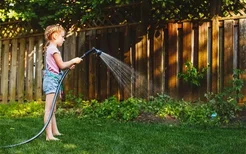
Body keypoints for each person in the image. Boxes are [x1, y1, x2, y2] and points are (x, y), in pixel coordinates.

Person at [43, 24, 82, 141]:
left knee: (52, 109)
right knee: (48, 109)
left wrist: (68, 67)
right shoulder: (54, 50)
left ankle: (55, 131)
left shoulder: (51, 49)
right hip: (51, 81)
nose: (64, 39)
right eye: (62, 37)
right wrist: (73, 61)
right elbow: (61, 65)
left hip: (53, 80)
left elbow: (57, 67)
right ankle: (48, 136)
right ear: (55, 36)